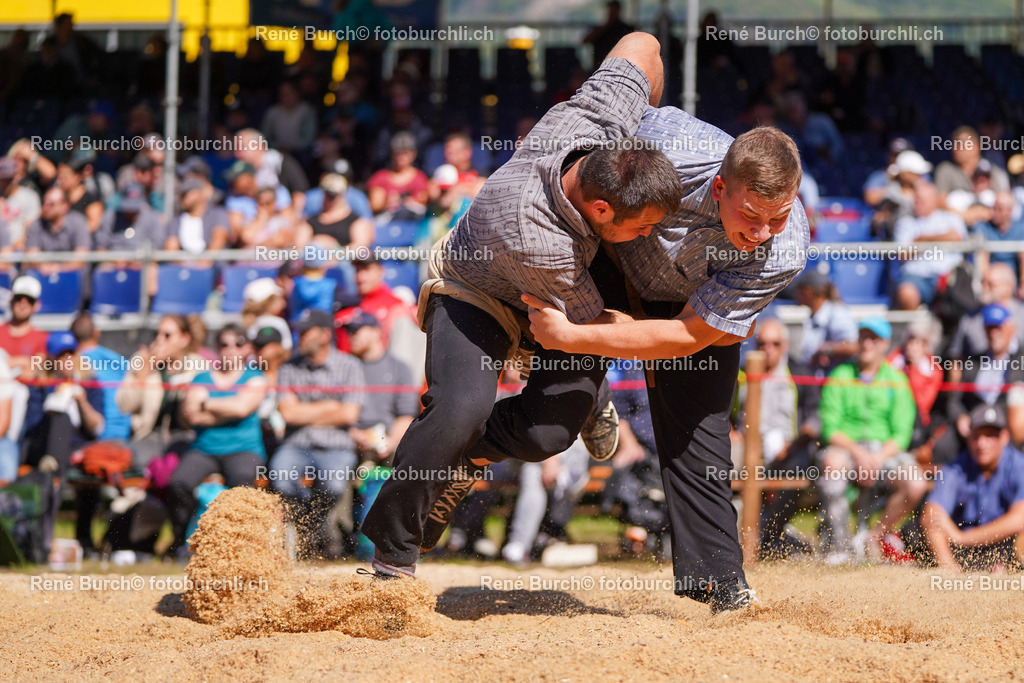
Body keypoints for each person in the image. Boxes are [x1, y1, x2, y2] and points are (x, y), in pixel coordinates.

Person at [361, 33, 681, 582]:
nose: (654, 235)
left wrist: (644, 122)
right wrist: (677, 332)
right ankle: (393, 559)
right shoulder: (535, 235)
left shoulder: (596, 117)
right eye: (645, 226)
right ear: (601, 207)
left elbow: (642, 43)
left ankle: (465, 459)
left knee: (546, 435)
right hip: (480, 291)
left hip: (561, 297)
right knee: (459, 411)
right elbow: (586, 328)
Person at [522, 105, 810, 610]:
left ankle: (719, 586)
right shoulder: (668, 143)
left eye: (778, 217)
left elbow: (689, 337)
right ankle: (471, 452)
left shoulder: (785, 249)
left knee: (701, 433)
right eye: (751, 215)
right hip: (607, 255)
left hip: (687, 309)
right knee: (553, 413)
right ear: (720, 188)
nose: (764, 232)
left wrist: (572, 336)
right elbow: (635, 73)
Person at [817, 318, 925, 563]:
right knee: (832, 464)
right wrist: (858, 452)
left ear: (885, 344)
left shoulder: (897, 380)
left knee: (916, 482)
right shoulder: (840, 375)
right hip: (846, 450)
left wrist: (876, 458)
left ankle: (874, 537)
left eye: (873, 339)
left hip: (884, 453)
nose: (866, 344)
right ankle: (840, 547)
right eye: (863, 337)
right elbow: (830, 428)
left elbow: (902, 434)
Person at [269, 310, 365, 556]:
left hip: (336, 446)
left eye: (305, 331)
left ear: (325, 335)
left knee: (333, 486)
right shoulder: (289, 367)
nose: (299, 336)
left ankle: (310, 530)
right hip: (296, 444)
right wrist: (330, 406)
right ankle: (315, 528)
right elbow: (288, 414)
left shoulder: (350, 365)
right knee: (281, 477)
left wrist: (305, 412)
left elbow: (349, 415)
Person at [169, 324, 267, 559]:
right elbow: (191, 414)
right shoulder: (202, 377)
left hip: (244, 449)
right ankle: (185, 541)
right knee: (178, 482)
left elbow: (242, 409)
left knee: (243, 483)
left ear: (247, 349)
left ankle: (242, 546)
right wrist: (228, 407)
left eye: (238, 344)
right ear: (217, 348)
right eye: (225, 344)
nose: (231, 349)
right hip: (204, 449)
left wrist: (207, 404)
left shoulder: (255, 376)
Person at [916, 404, 1024, 572]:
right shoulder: (954, 468)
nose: (981, 444)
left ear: (1004, 437)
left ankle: (1010, 570)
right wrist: (950, 569)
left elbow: (1019, 519)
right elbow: (932, 515)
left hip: (1003, 546)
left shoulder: (1019, 465)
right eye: (976, 436)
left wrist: (962, 537)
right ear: (968, 438)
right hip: (962, 553)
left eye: (989, 436)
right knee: (916, 528)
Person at [345, 312, 419, 465]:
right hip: (349, 443)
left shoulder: (399, 367)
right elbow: (337, 412)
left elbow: (406, 414)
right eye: (350, 332)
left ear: (376, 332)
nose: (352, 336)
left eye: (357, 330)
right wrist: (354, 434)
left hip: (389, 441)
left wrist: (390, 442)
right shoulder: (345, 367)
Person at [893, 181, 968, 310]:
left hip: (947, 275)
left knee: (959, 287)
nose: (916, 204)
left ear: (934, 200)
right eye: (915, 200)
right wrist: (939, 239)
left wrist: (922, 240)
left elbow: (956, 237)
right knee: (906, 292)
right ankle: (912, 329)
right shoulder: (905, 222)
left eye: (921, 200)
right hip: (916, 277)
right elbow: (904, 253)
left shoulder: (951, 218)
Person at [71, 312, 131, 442]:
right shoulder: (119, 361)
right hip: (124, 435)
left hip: (96, 437)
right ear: (97, 333)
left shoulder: (72, 363)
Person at [793, 269, 858, 375]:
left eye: (799, 290)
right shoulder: (813, 317)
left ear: (807, 291)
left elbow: (853, 346)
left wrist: (826, 349)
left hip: (834, 384)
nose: (796, 295)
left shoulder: (837, 313)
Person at [25, 186, 90, 275]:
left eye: (51, 204)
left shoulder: (78, 222)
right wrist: (44, 266)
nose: (45, 207)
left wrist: (59, 268)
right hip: (43, 275)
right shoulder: (36, 225)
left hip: (72, 277)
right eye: (44, 203)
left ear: (65, 206)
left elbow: (82, 257)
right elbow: (31, 257)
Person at [0, 275, 48, 372]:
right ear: (11, 301)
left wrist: (9, 363)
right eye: (19, 298)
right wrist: (24, 362)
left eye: (29, 300)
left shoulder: (43, 339)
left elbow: (37, 370)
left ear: (36, 305)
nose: (23, 304)